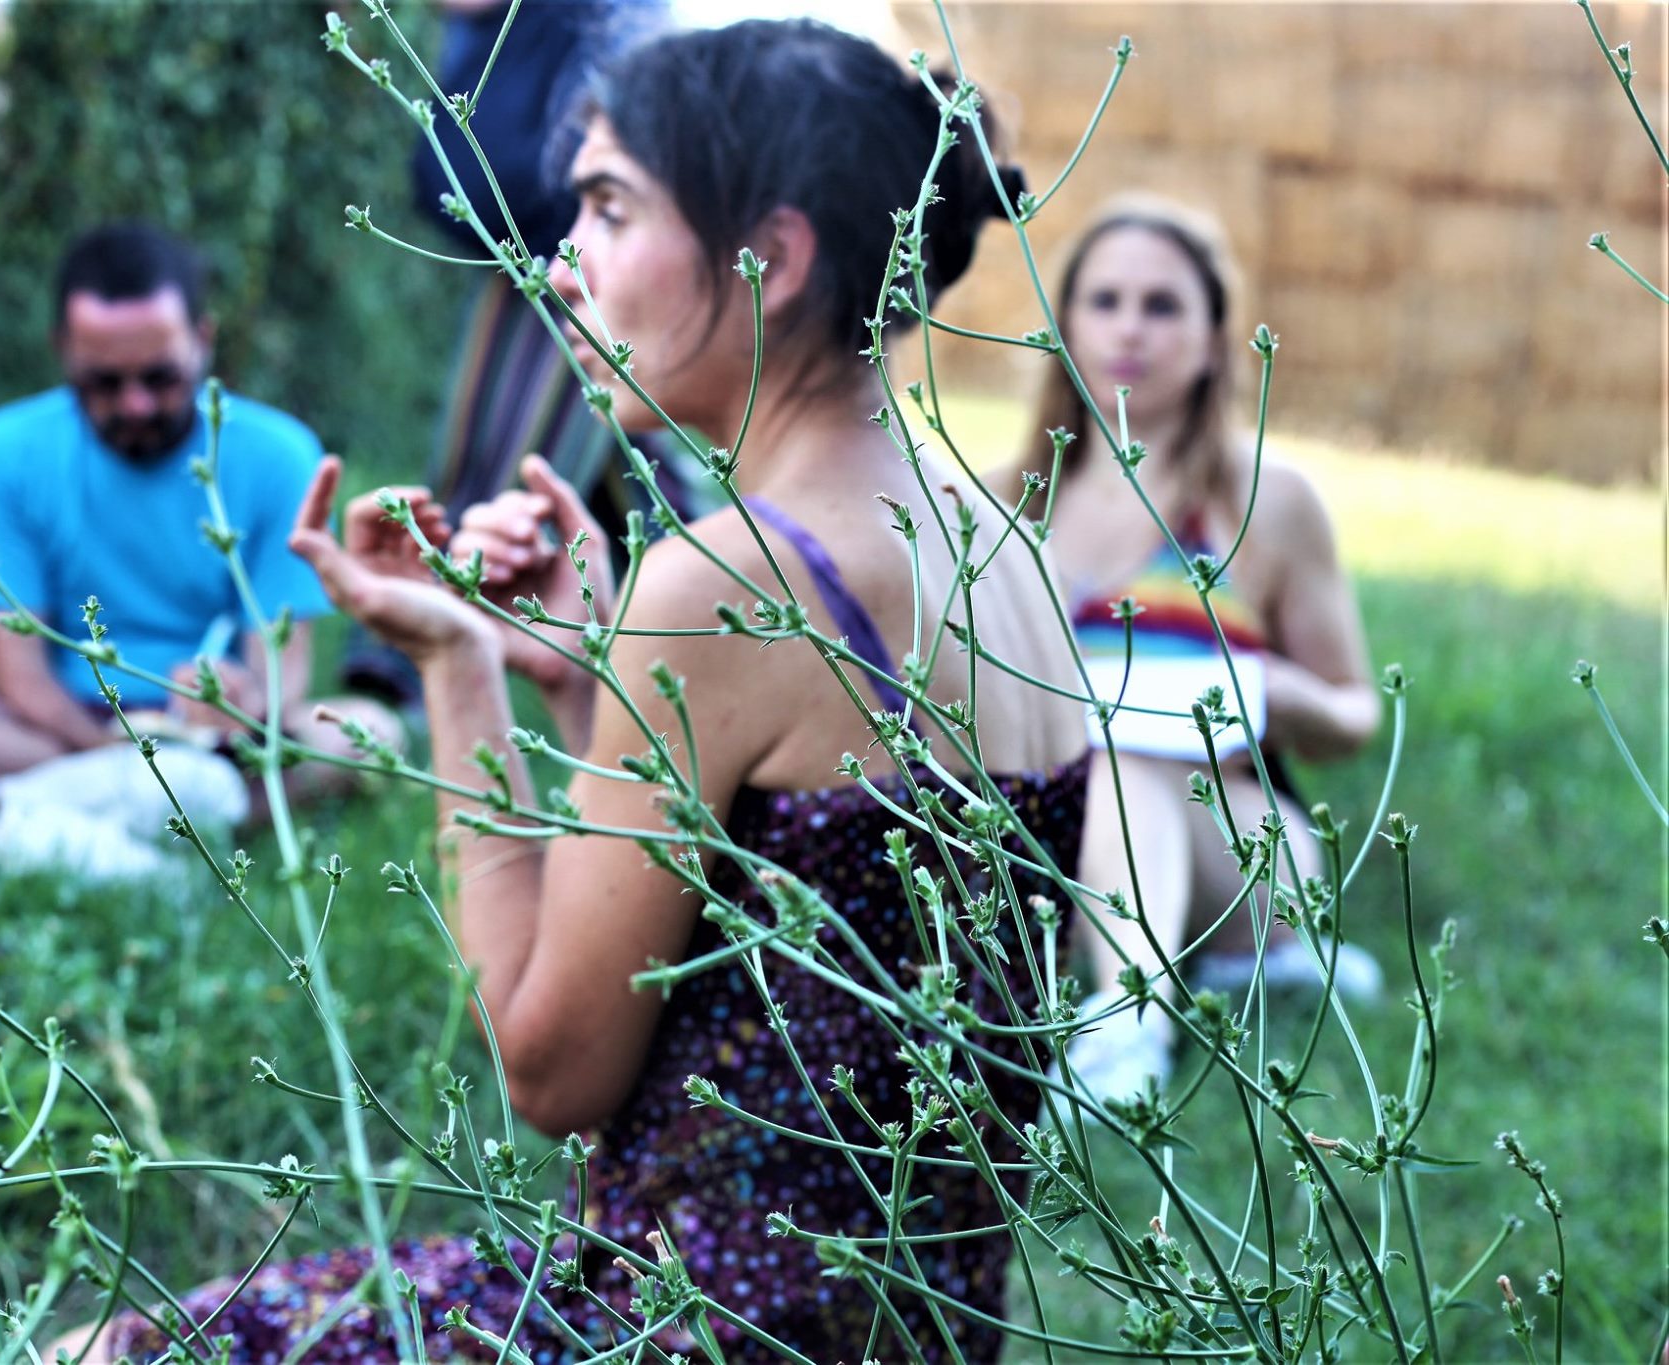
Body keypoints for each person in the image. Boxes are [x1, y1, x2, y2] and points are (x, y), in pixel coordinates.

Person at [93, 20, 1088, 1363]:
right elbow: (775, 949)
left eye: (611, 209)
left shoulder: (729, 580)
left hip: (683, 1328)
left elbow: (552, 1070)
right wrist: (584, 684)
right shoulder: (998, 546)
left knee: (105, 1352)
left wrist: (455, 668)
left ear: (773, 256)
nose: (562, 264)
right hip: (907, 1332)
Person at [1006, 196, 1383, 1101]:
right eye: (1105, 301)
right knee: (1101, 759)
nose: (1130, 328)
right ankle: (1179, 980)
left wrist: (1269, 687)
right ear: (1065, 327)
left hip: (1238, 833)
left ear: (1216, 339)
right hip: (1048, 839)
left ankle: (1131, 1023)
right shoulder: (1004, 503)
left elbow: (1356, 713)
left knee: (1128, 749)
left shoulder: (1269, 502)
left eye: (1163, 305)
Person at [0, 223, 394, 836]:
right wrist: (119, 755)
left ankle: (47, 814)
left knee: (369, 732)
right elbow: (19, 677)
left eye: (160, 378)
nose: (136, 404)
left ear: (202, 341)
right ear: (63, 350)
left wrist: (244, 706)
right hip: (68, 730)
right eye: (105, 383)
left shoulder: (281, 454)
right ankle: (185, 820)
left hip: (214, 738)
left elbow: (282, 669)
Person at [342, 0, 686, 707]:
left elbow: (622, 175)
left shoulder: (608, 29)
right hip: (525, 259)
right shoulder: (496, 35)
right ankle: (717, 624)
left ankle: (404, 658)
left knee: (500, 467)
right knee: (630, 476)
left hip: (570, 270)